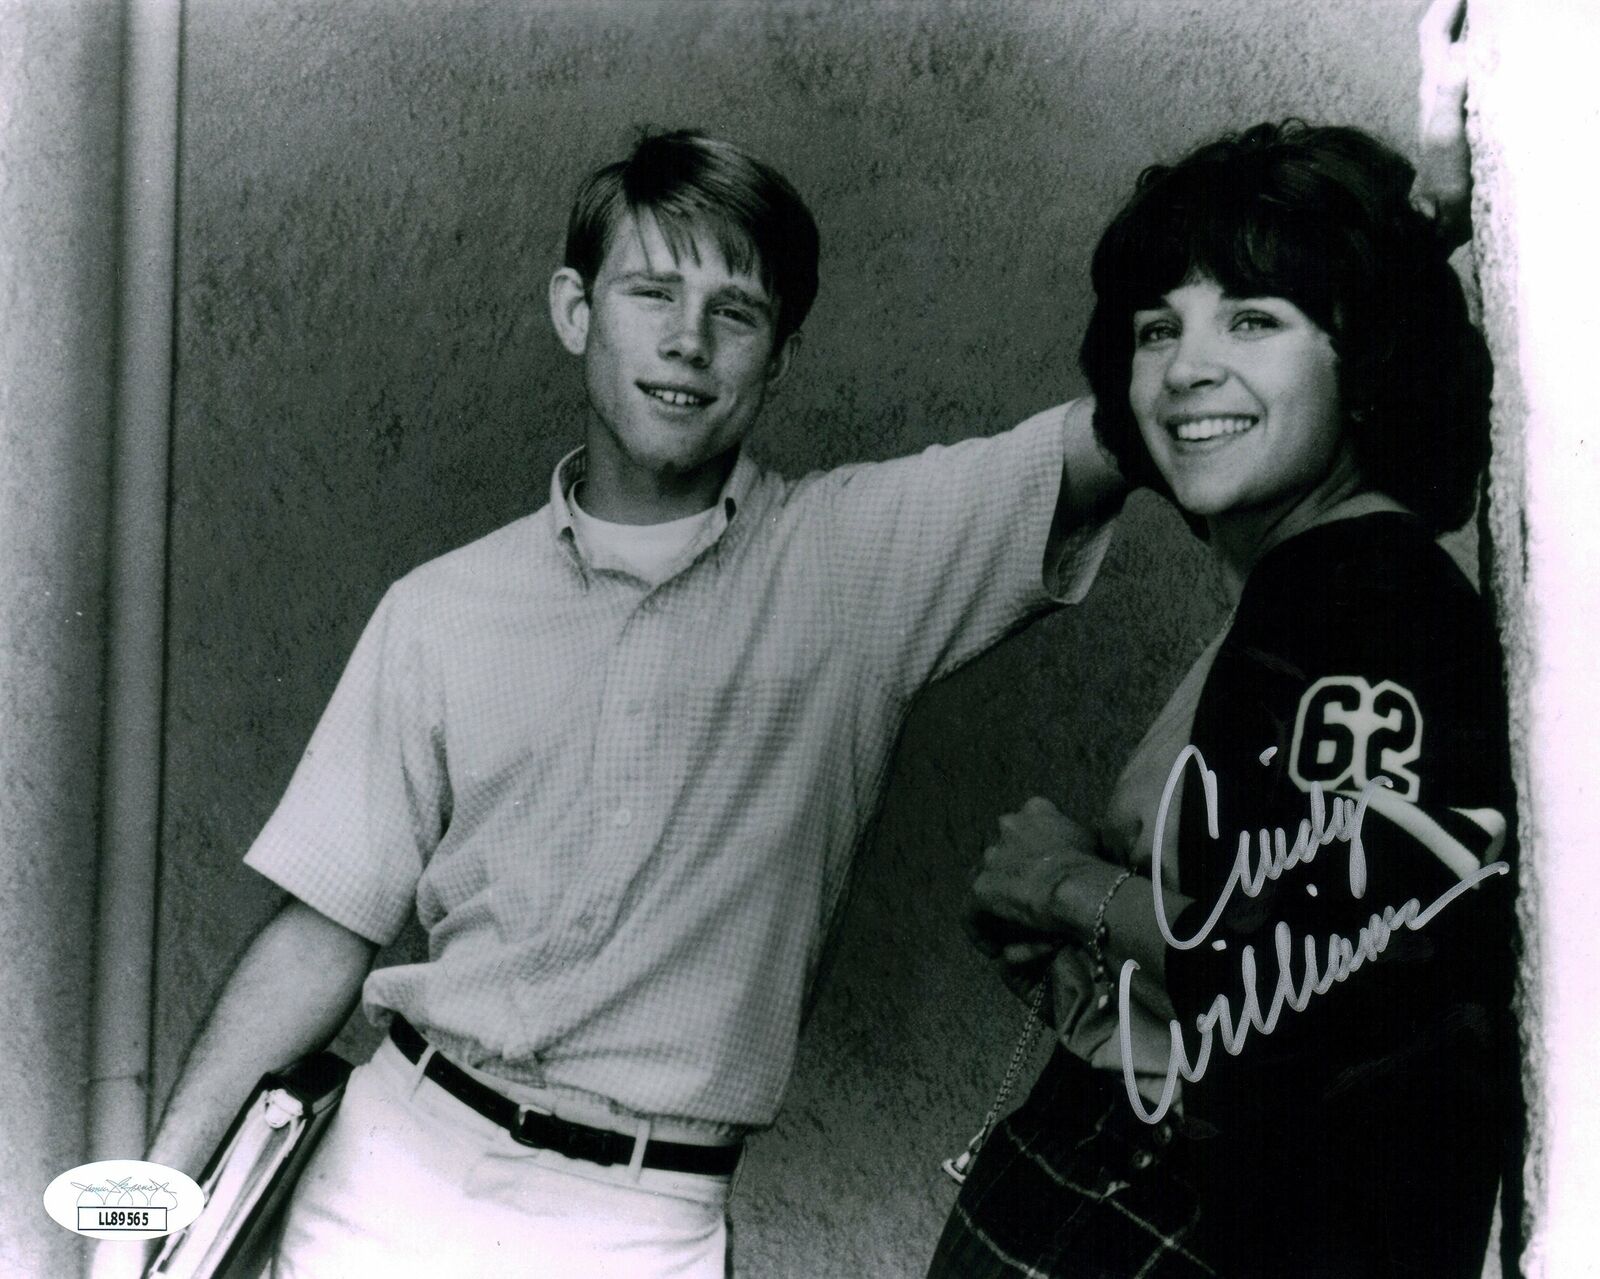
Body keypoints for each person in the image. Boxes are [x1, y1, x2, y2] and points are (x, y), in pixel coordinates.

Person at [134, 130, 1123, 1278]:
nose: (687, 341)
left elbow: (1123, 432)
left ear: (780, 354)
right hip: (390, 1179)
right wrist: (144, 1220)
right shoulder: (440, 609)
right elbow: (321, 932)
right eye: (651, 291)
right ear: (575, 310)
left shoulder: (861, 562)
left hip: (641, 1229)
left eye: (735, 312)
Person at [928, 19, 1517, 1279]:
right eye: (1157, 328)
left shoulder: (1355, 594)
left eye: (1252, 320)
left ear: (1363, 367)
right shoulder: (1313, 582)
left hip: (1177, 1208)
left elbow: (1338, 977)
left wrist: (1063, 890)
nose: (1187, 367)